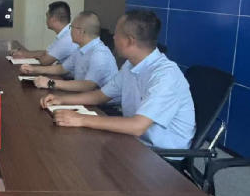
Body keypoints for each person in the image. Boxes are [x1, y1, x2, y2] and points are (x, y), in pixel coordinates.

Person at [40, 10, 196, 151]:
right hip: (136, 141)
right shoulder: (130, 65)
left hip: (162, 155)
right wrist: (61, 100)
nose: (113, 37)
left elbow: (137, 126)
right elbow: (100, 95)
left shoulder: (165, 76)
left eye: (117, 34)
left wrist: (81, 119)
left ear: (130, 41)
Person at [21, 12, 118, 93]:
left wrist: (50, 82)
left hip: (103, 106)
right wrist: (34, 69)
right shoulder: (81, 49)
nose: (70, 31)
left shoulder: (99, 54)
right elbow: (61, 69)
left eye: (71, 27)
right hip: (84, 96)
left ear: (80, 32)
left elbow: (87, 86)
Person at [11, 1, 78, 66]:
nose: (46, 20)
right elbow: (46, 53)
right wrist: (23, 53)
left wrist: (43, 56)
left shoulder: (67, 38)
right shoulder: (67, 33)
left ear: (54, 19)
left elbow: (45, 61)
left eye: (47, 16)